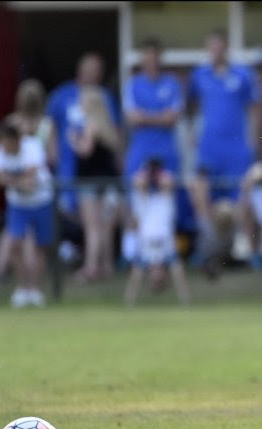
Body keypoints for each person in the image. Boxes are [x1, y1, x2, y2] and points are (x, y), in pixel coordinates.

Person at [188, 29, 262, 277]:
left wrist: (253, 144)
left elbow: (255, 110)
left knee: (244, 201)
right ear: (207, 50)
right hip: (209, 150)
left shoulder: (243, 75)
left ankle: (251, 253)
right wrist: (192, 133)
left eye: (220, 47)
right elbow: (190, 106)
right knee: (201, 195)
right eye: (212, 48)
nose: (216, 52)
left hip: (237, 151)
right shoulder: (199, 76)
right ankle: (207, 247)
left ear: (226, 49)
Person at [122, 37, 191, 270]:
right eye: (146, 58)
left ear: (159, 59)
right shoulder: (133, 85)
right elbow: (133, 118)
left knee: (166, 206)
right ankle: (134, 255)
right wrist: (159, 117)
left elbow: (173, 118)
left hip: (167, 153)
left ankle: (166, 258)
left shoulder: (171, 84)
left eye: (154, 58)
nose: (150, 62)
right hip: (140, 152)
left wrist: (147, 117)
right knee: (136, 205)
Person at [0, 79, 57, 281]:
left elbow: (50, 157)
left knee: (35, 243)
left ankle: (27, 284)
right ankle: (6, 274)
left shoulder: (45, 126)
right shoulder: (13, 124)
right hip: (19, 191)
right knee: (16, 239)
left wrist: (32, 158)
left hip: (38, 189)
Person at [47, 52, 120, 219]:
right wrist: (49, 152)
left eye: (96, 70)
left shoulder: (105, 97)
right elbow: (47, 126)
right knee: (70, 216)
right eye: (89, 69)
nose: (92, 74)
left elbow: (115, 131)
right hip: (66, 167)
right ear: (80, 69)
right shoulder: (62, 94)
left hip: (93, 170)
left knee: (95, 223)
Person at [0, 119, 54, 308]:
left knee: (40, 247)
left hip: (41, 201)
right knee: (16, 244)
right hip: (18, 204)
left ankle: (36, 289)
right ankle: (22, 288)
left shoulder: (32, 147)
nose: (4, 146)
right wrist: (18, 182)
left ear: (16, 140)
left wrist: (11, 180)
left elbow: (31, 175)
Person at [69, 85, 122, 282]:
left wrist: (74, 140)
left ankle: (90, 267)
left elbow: (86, 151)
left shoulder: (90, 125)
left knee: (92, 227)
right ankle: (106, 265)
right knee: (105, 227)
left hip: (90, 182)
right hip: (107, 183)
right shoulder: (108, 126)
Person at [124, 158, 191, 306]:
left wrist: (149, 174)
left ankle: (128, 305)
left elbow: (137, 182)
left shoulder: (145, 257)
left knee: (141, 186)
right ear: (165, 275)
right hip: (161, 211)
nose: (157, 275)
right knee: (163, 186)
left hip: (146, 209)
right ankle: (186, 303)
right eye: (160, 279)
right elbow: (168, 182)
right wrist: (156, 175)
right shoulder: (168, 254)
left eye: (155, 279)